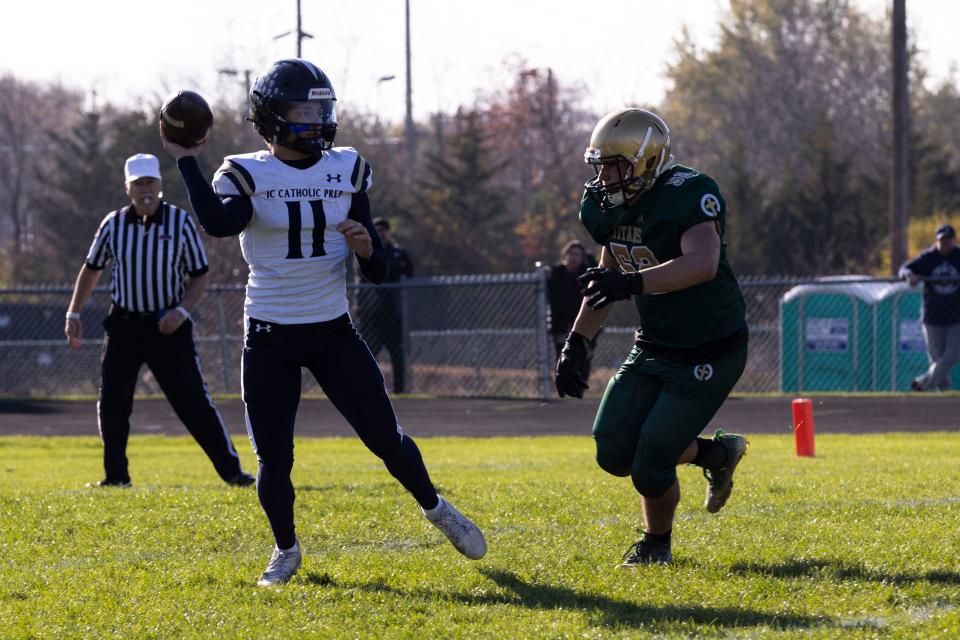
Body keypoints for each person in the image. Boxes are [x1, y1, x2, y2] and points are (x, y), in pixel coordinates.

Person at [161, 58, 486, 586]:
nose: (317, 119)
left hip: (332, 331)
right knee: (274, 458)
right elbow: (221, 223)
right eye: (304, 110)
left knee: (385, 437)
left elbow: (378, 272)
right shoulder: (245, 171)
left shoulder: (347, 166)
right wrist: (185, 161)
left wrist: (365, 248)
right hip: (269, 336)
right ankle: (286, 550)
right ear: (272, 117)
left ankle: (436, 507)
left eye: (322, 108)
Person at [555, 108, 749, 566]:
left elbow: (701, 263)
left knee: (650, 460)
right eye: (599, 165)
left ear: (646, 161)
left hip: (710, 347)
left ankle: (655, 545)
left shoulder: (688, 193)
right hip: (655, 343)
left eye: (613, 165)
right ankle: (717, 454)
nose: (603, 176)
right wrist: (577, 341)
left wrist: (634, 283)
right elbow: (608, 271)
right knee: (612, 449)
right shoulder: (606, 206)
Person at [64, 153, 254, 489]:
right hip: (124, 325)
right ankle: (116, 477)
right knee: (113, 403)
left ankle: (232, 472)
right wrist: (74, 311)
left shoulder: (180, 222)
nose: (145, 189)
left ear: (160, 185)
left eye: (149, 182)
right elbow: (92, 269)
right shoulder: (114, 224)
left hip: (168, 326)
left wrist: (182, 311)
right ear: (128, 188)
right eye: (138, 184)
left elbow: (199, 274)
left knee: (193, 402)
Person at [899, 223, 960, 392]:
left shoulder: (958, 256)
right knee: (937, 359)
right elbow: (904, 268)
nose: (945, 244)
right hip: (932, 318)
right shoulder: (929, 257)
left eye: (948, 241)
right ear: (937, 241)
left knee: (953, 353)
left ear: (954, 241)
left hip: (956, 318)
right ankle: (944, 397)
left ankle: (923, 383)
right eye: (942, 241)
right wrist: (909, 276)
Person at [357, 216, 414, 393]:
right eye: (377, 229)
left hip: (393, 311)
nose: (380, 233)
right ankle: (368, 389)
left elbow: (408, 270)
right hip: (371, 312)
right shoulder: (365, 249)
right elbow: (369, 273)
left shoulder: (398, 251)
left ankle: (400, 390)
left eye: (383, 230)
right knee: (368, 354)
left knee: (397, 352)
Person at [546, 240, 601, 383]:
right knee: (562, 354)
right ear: (565, 255)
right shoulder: (557, 272)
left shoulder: (586, 273)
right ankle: (563, 383)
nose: (574, 257)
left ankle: (582, 383)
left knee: (584, 354)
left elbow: (599, 272)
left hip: (584, 321)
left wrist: (590, 256)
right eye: (571, 253)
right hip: (561, 322)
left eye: (578, 254)